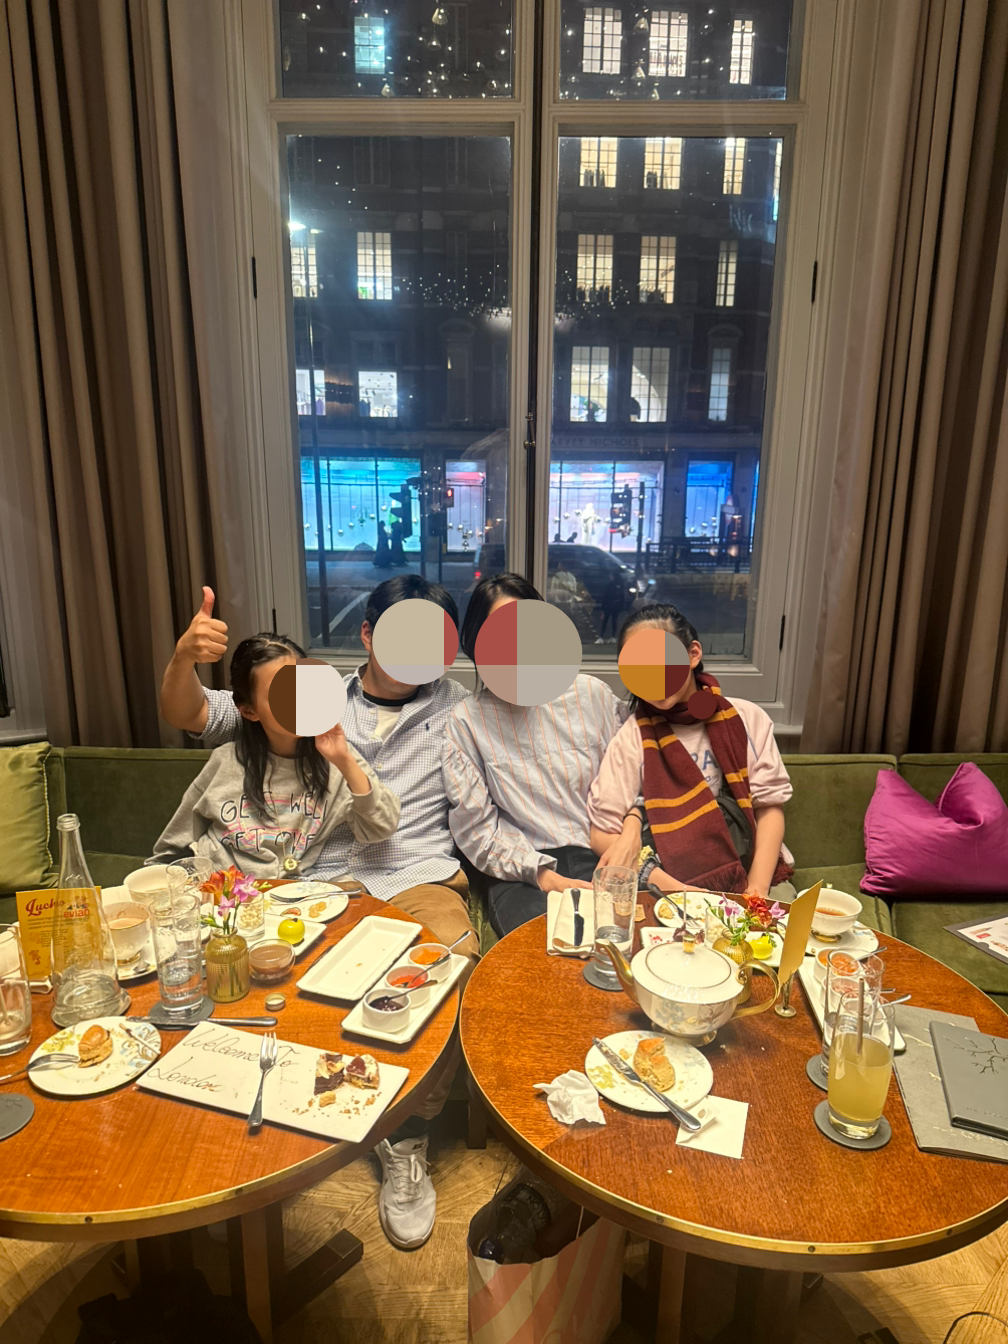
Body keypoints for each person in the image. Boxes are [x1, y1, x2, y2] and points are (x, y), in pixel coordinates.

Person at [158, 577, 479, 1251]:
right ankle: (290, 1119)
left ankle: (406, 1134)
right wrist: (184, 656)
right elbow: (196, 713)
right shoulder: (308, 692)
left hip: (415, 874)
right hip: (324, 881)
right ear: (367, 635)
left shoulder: (460, 706)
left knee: (451, 960)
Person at [441, 573, 644, 937]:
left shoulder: (592, 695)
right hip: (525, 871)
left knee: (637, 944)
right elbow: (476, 828)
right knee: (545, 954)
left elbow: (640, 769)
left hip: (605, 849)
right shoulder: (467, 720)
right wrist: (544, 876)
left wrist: (632, 828)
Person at [587, 604, 795, 901]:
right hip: (669, 886)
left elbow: (769, 807)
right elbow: (602, 833)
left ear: (693, 654)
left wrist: (755, 891)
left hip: (753, 871)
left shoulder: (747, 718)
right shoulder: (632, 737)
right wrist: (682, 892)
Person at [152, 634, 399, 875]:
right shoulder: (225, 761)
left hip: (288, 891)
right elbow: (171, 850)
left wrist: (345, 761)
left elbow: (380, 828)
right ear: (249, 711)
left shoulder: (338, 760)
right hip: (217, 886)